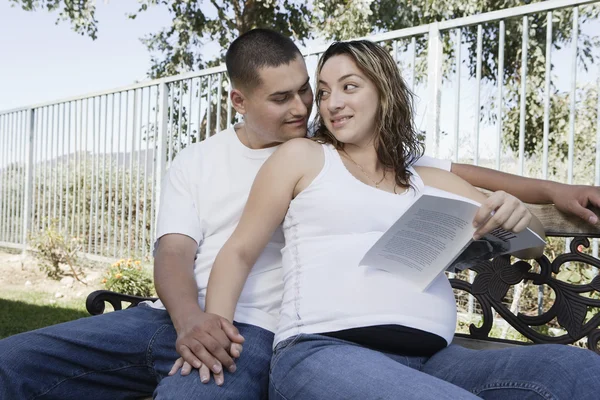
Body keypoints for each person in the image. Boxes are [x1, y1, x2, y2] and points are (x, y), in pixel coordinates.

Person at [0, 29, 598, 400]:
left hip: (343, 341)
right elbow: (180, 251)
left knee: (574, 376)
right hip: (226, 324)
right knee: (14, 364)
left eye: (316, 90)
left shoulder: (373, 157)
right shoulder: (263, 159)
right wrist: (199, 321)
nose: (313, 105)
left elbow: (467, 177)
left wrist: (545, 192)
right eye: (290, 97)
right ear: (239, 99)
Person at [202, 39, 600, 400]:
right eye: (323, 92)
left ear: (383, 89)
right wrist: (215, 331)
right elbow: (238, 251)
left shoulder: (426, 179)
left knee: (579, 372)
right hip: (324, 353)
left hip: (436, 360)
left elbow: (531, 242)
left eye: (349, 86)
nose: (331, 103)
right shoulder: (304, 157)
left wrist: (520, 213)